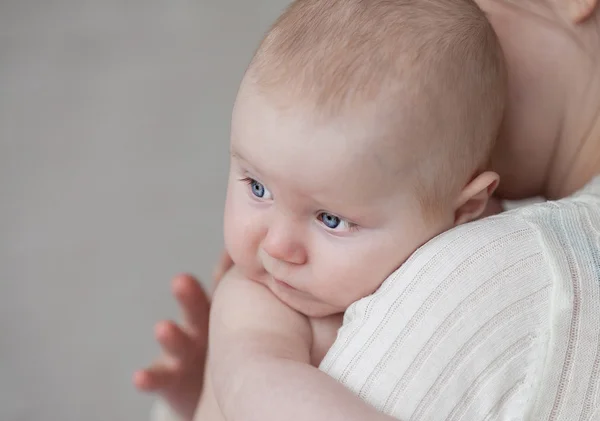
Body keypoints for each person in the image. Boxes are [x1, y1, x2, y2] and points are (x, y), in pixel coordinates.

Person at [135, 0, 600, 419]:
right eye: (257, 187)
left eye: (331, 219)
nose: (276, 246)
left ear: (467, 211)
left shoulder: (506, 256)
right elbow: (259, 389)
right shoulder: (257, 303)